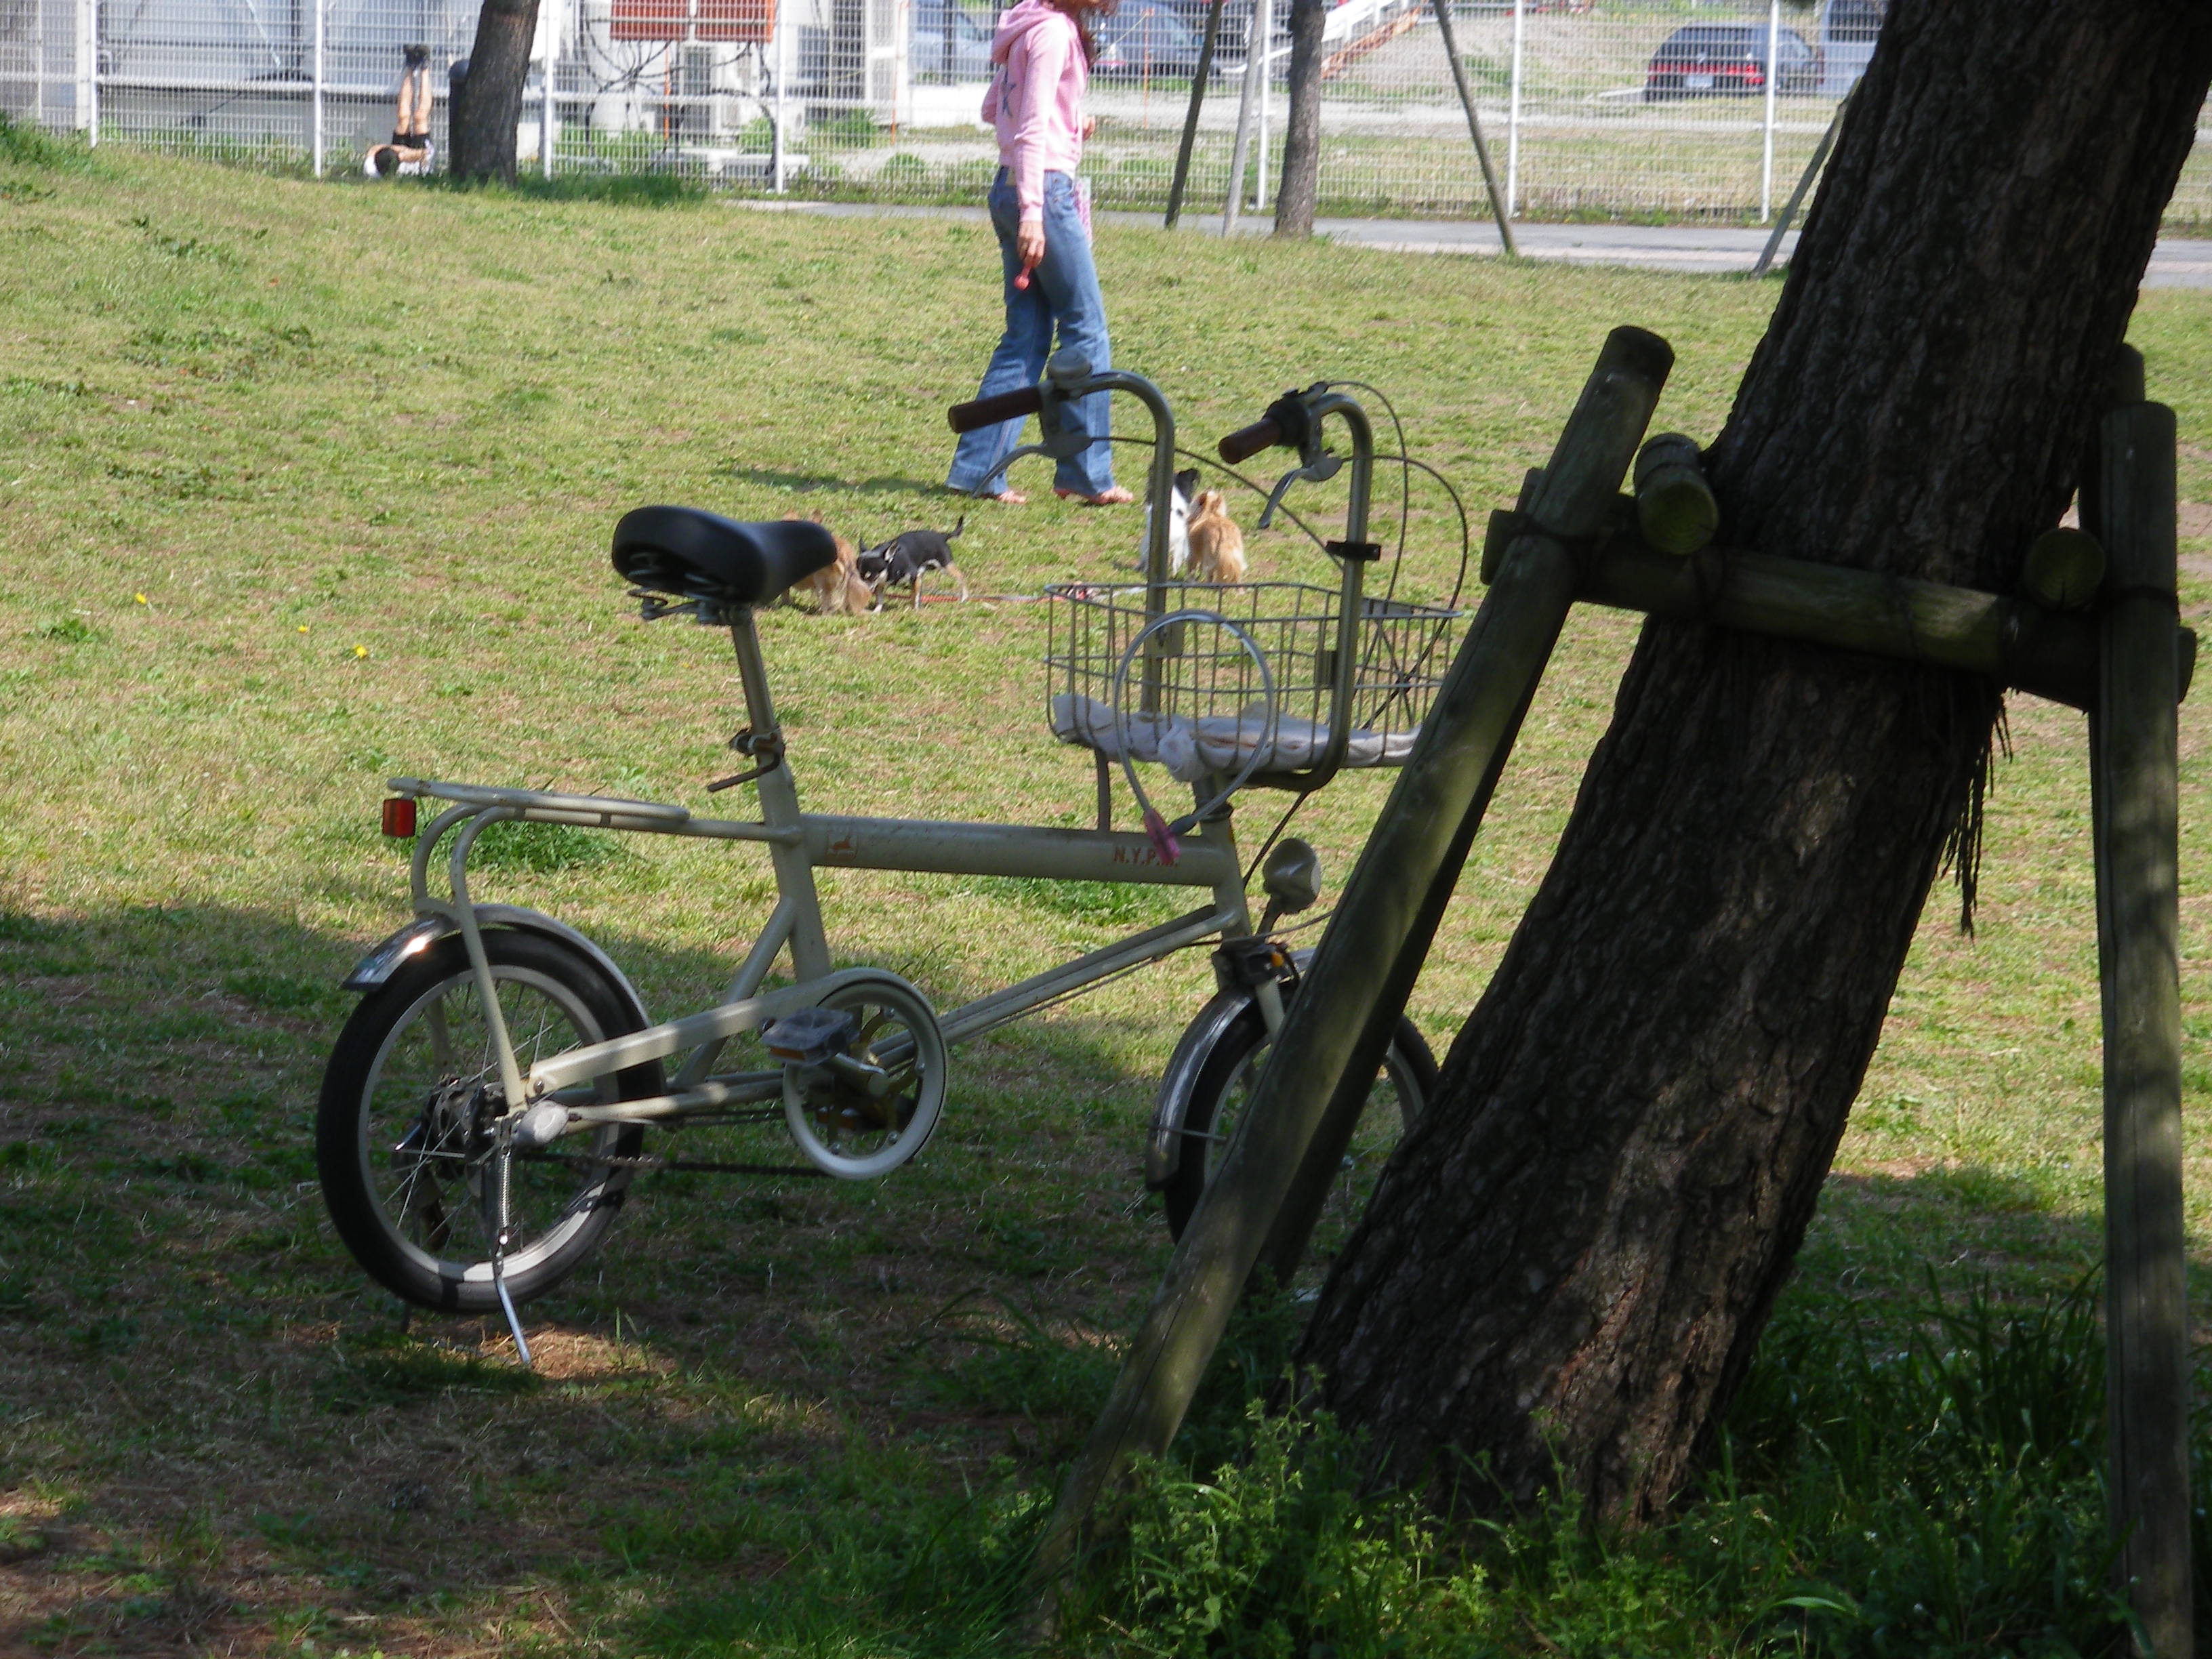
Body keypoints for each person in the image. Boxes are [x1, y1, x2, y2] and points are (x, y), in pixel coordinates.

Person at [945, 0, 1133, 507]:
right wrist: (1033, 212)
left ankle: (979, 471)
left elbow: (995, 109)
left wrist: (1070, 124)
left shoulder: (1025, 27)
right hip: (1040, 194)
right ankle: (1086, 473)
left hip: (1008, 186)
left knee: (1026, 335)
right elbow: (1030, 126)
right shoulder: (1051, 33)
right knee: (1085, 327)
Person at [364, 45, 436, 178]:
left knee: (403, 117)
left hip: (398, 155)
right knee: (420, 117)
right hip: (420, 157)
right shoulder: (409, 173)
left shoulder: (371, 170)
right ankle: (425, 67)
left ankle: (410, 65)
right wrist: (404, 155)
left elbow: (373, 150)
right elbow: (426, 154)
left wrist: (397, 151)